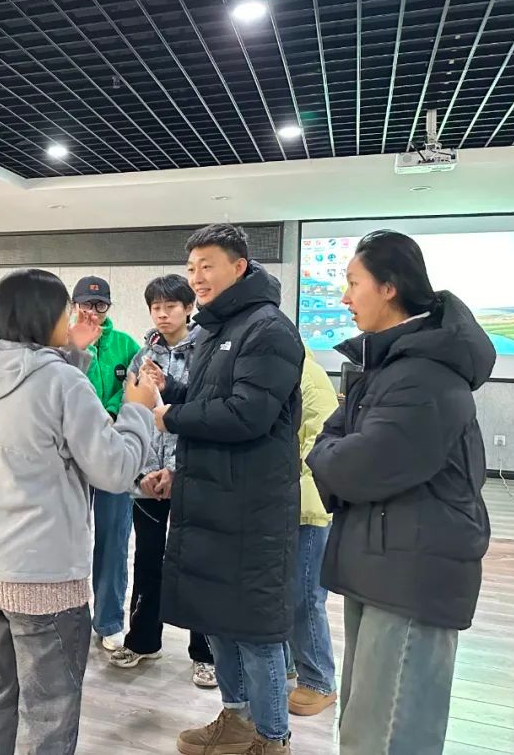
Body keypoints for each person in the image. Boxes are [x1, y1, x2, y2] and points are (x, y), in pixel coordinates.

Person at [306, 230, 494, 755]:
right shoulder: (389, 367)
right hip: (382, 559)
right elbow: (331, 440)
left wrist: (328, 455)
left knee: (388, 733)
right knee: (363, 725)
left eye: (353, 283)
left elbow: (358, 465)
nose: (345, 297)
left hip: (411, 569)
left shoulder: (424, 375)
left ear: (389, 287)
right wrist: (330, 452)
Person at [0, 268, 156, 754]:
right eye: (66, 312)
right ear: (44, 315)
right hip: (42, 574)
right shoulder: (63, 381)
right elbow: (114, 469)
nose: (73, 320)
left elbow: (35, 398)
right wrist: (138, 409)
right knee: (49, 708)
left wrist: (72, 354)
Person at [141, 224, 303, 755]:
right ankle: (235, 721)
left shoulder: (269, 328)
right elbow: (213, 396)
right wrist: (175, 393)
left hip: (251, 508)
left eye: (207, 265)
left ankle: (272, 738)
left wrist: (171, 415)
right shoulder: (218, 327)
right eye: (192, 268)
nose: (197, 277)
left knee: (255, 630)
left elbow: (248, 413)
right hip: (209, 500)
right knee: (217, 620)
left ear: (239, 266)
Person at [108, 274, 216, 687]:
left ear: (188, 308)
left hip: (191, 476)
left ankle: (205, 653)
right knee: (147, 560)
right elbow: (132, 414)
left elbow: (207, 414)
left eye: (171, 306)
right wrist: (142, 474)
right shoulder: (143, 355)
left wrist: (178, 470)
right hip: (148, 479)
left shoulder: (208, 351)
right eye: (156, 307)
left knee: (196, 564)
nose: (163, 314)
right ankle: (142, 640)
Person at [72, 275, 141, 649]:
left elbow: (136, 388)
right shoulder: (64, 345)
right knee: (71, 538)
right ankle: (71, 616)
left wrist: (112, 412)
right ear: (74, 306)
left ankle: (109, 619)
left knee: (114, 537)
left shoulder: (126, 345)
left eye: (99, 305)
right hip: (72, 457)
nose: (92, 312)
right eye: (85, 304)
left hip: (113, 453)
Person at [283, 344, 339, 716]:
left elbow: (318, 445)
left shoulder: (309, 376)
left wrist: (284, 482)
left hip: (308, 505)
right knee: (285, 592)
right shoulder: (282, 369)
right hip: (283, 504)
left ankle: (319, 679)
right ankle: (290, 662)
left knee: (305, 595)